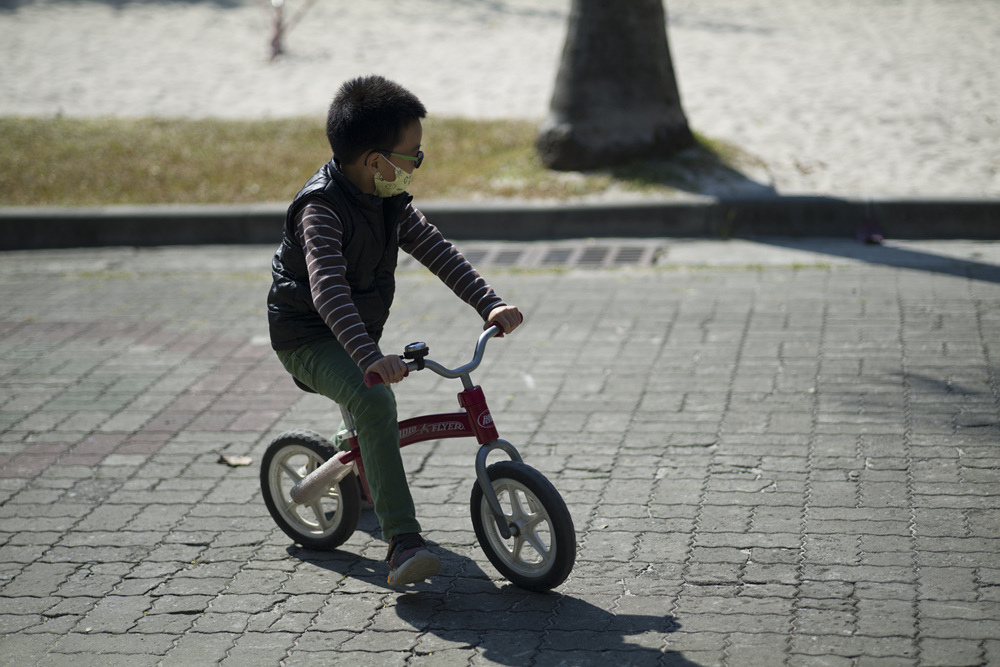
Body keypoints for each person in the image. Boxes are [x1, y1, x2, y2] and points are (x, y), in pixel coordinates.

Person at [267, 75, 522, 586]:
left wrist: (488, 304)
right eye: (413, 156)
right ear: (373, 161)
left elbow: (436, 249)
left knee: (371, 400)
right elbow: (327, 291)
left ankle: (357, 450)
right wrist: (367, 358)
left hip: (353, 331)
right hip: (308, 336)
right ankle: (402, 543)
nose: (417, 165)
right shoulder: (321, 210)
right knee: (376, 399)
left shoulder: (387, 199)